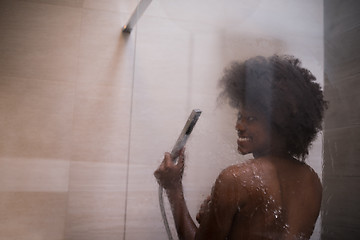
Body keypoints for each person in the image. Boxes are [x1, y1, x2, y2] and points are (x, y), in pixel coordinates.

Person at [154, 55, 328, 240]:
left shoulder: (235, 179)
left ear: (280, 124)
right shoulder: (311, 180)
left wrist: (173, 189)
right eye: (239, 117)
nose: (239, 126)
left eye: (251, 119)